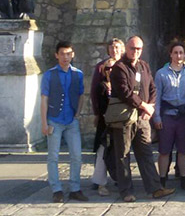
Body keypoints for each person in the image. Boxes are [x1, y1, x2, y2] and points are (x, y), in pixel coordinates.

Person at [110, 36, 175, 202]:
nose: (135, 51)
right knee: (123, 154)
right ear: (126, 48)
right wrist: (144, 105)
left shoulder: (144, 66)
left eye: (138, 49)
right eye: (132, 48)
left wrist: (150, 106)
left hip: (142, 118)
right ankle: (126, 191)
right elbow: (125, 92)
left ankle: (155, 188)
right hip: (124, 118)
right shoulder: (119, 68)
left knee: (146, 153)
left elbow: (152, 88)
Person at [40, 41, 88, 203]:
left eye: (68, 54)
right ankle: (57, 189)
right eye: (62, 54)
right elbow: (44, 99)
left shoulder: (78, 74)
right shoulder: (49, 75)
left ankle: (75, 188)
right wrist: (44, 123)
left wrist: (78, 113)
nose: (65, 57)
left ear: (72, 55)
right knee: (53, 156)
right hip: (54, 120)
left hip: (71, 120)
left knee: (76, 155)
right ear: (57, 55)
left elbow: (81, 94)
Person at [154, 40, 185, 190]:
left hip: (184, 116)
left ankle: (183, 178)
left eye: (181, 52)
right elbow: (157, 96)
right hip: (167, 115)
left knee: (183, 149)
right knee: (164, 149)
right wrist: (157, 117)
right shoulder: (161, 73)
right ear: (170, 54)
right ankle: (162, 178)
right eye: (175, 52)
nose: (178, 55)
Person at [90, 38, 124, 196]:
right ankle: (100, 181)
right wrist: (97, 113)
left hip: (122, 118)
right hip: (106, 120)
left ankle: (120, 178)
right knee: (103, 150)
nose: (114, 50)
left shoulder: (126, 65)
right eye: (112, 47)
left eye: (117, 47)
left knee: (122, 150)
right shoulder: (101, 77)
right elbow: (95, 94)